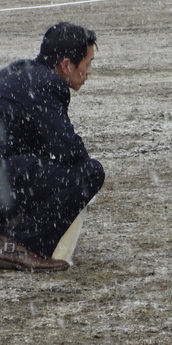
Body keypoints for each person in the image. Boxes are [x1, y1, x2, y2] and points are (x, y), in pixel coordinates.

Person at [0, 22, 105, 272]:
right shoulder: (47, 85)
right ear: (67, 65)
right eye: (87, 64)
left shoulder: (19, 70)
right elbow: (71, 153)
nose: (89, 72)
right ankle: (20, 245)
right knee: (90, 173)